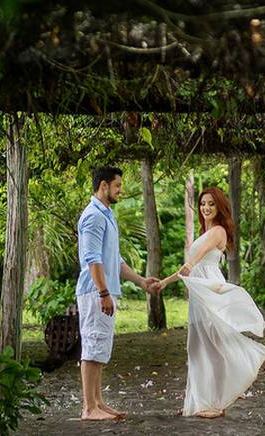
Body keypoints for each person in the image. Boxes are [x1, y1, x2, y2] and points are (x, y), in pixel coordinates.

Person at [154, 186, 265, 418]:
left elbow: (196, 258)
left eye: (211, 204)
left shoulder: (218, 231)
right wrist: (165, 282)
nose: (206, 208)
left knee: (213, 345)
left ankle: (217, 402)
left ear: (219, 207)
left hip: (210, 288)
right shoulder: (203, 231)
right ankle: (199, 401)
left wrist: (190, 265)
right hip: (198, 291)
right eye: (202, 204)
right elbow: (189, 265)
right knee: (196, 346)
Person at [76, 165, 154, 421]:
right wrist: (103, 292)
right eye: (118, 185)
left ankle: (98, 402)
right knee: (92, 345)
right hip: (94, 292)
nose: (121, 190)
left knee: (100, 347)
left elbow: (115, 261)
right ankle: (89, 408)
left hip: (106, 291)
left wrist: (141, 281)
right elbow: (92, 259)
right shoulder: (94, 216)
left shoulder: (107, 215)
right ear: (104, 186)